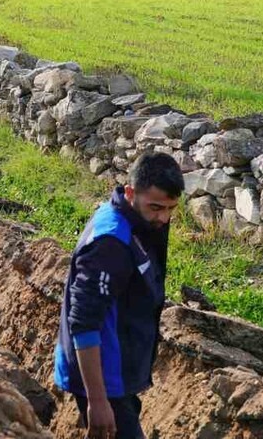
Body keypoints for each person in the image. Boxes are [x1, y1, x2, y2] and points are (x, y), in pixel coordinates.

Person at [53, 151, 183, 439]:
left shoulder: (139, 220)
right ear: (130, 193)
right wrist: (98, 402)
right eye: (156, 207)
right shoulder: (111, 242)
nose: (164, 217)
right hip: (102, 377)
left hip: (118, 369)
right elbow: (84, 322)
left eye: (171, 208)